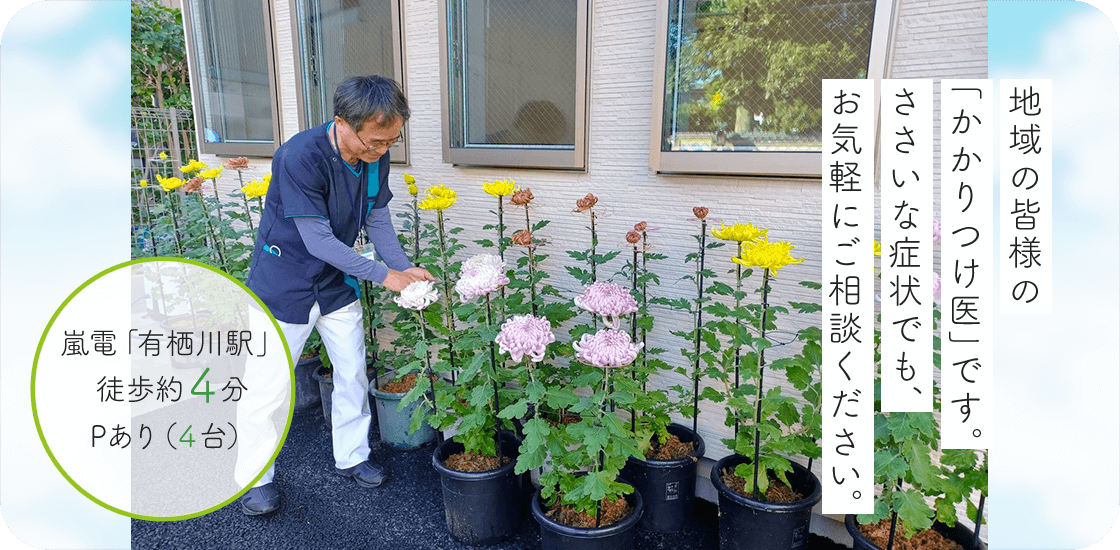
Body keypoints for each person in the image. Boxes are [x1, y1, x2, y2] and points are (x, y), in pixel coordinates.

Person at [235, 75, 434, 516]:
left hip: (335, 283)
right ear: (343, 123)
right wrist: (386, 277)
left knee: (352, 372)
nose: (382, 150)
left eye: (392, 141)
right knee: (268, 388)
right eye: (376, 141)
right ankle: (255, 478)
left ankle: (353, 455)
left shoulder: (374, 157)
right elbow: (318, 240)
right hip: (283, 282)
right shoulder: (299, 156)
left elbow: (377, 218)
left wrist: (401, 266)